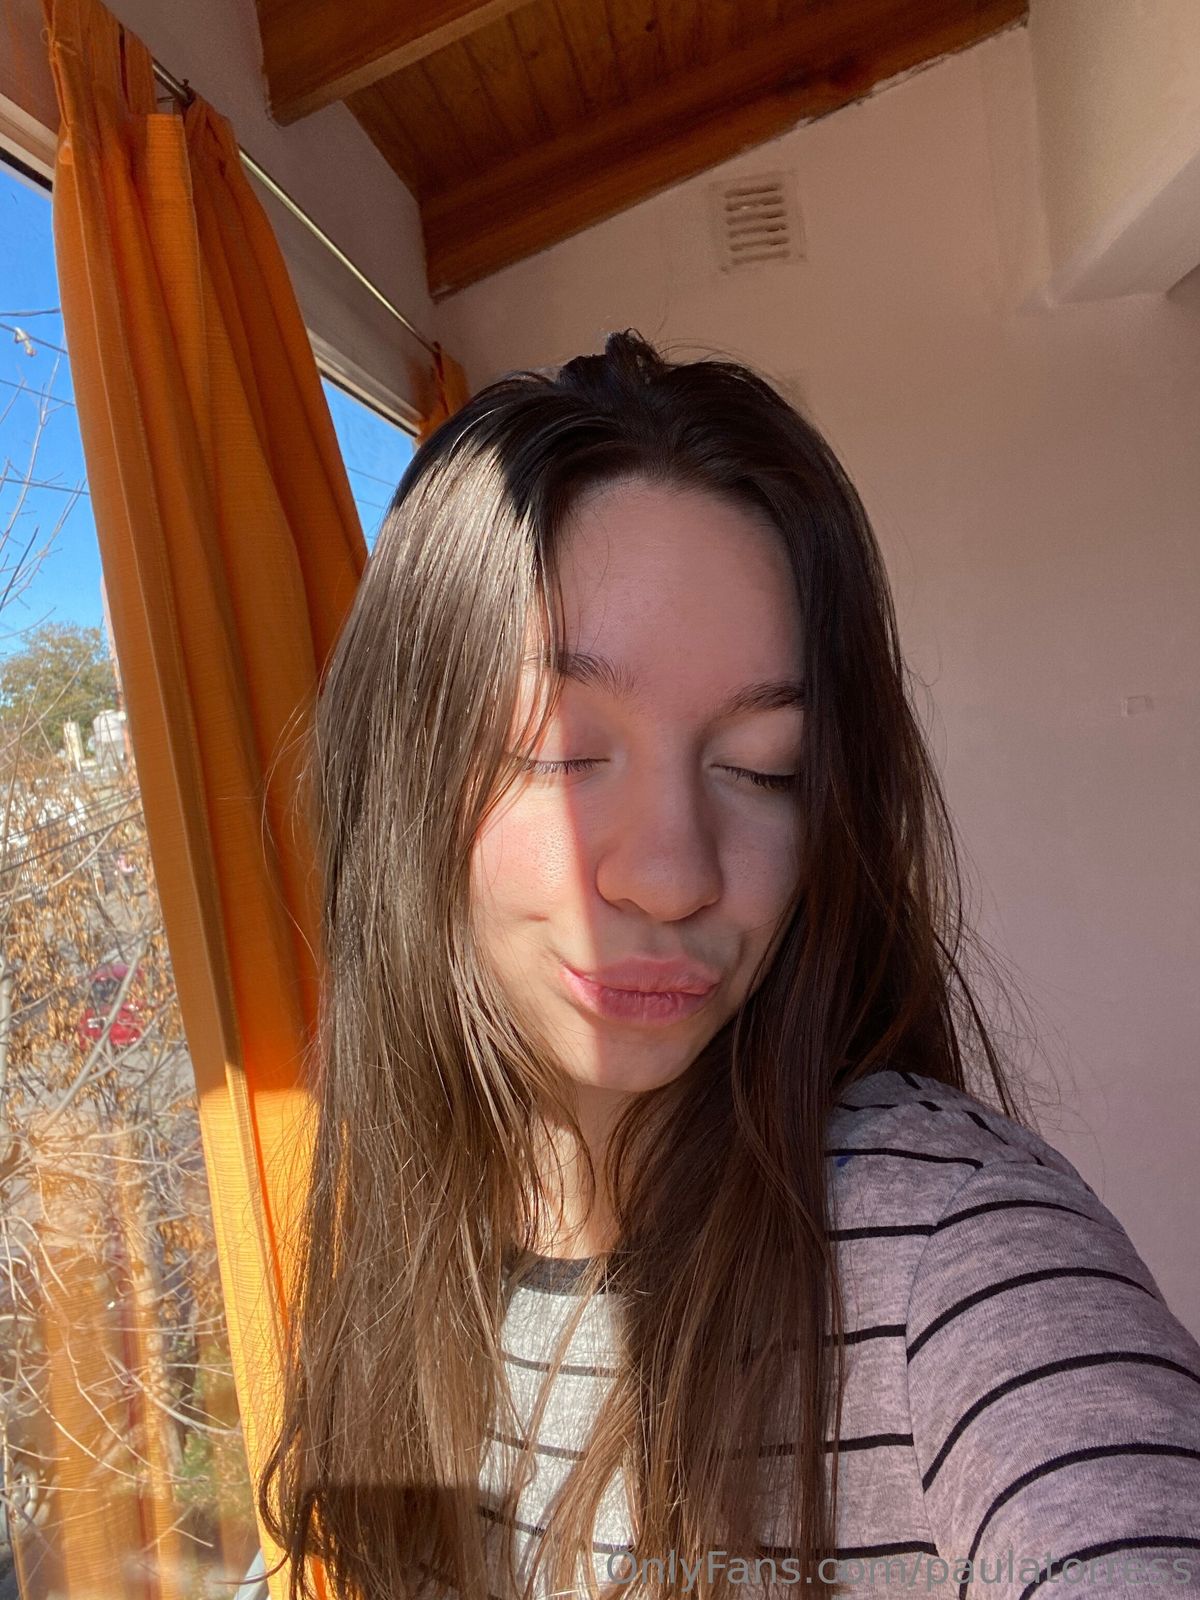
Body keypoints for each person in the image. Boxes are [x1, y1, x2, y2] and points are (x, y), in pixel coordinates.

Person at [256, 331, 1200, 1600]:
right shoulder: (412, 1251)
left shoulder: (955, 1263)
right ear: (402, 771)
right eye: (560, 746)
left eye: (764, 769)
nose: (673, 874)